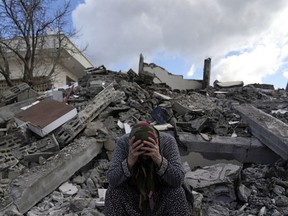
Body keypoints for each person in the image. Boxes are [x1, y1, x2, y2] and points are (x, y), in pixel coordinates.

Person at [104, 121, 191, 216]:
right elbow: (112, 179)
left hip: (160, 196)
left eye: (148, 151)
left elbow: (178, 179)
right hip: (134, 198)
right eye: (141, 152)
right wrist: (129, 162)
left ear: (157, 142)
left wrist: (159, 159)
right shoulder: (124, 143)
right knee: (113, 192)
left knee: (176, 192)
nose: (145, 157)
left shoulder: (167, 142)